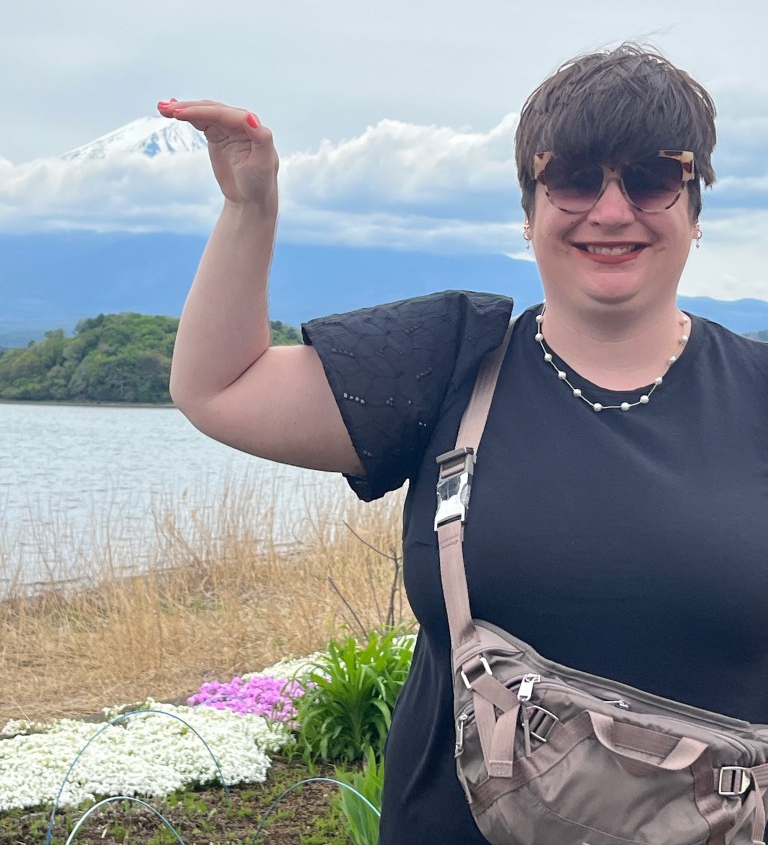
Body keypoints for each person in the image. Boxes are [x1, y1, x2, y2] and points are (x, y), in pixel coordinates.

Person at [158, 45, 768, 845]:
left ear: (694, 206)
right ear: (529, 209)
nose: (612, 210)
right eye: (574, 179)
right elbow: (220, 388)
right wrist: (250, 208)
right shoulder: (449, 362)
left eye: (652, 178)